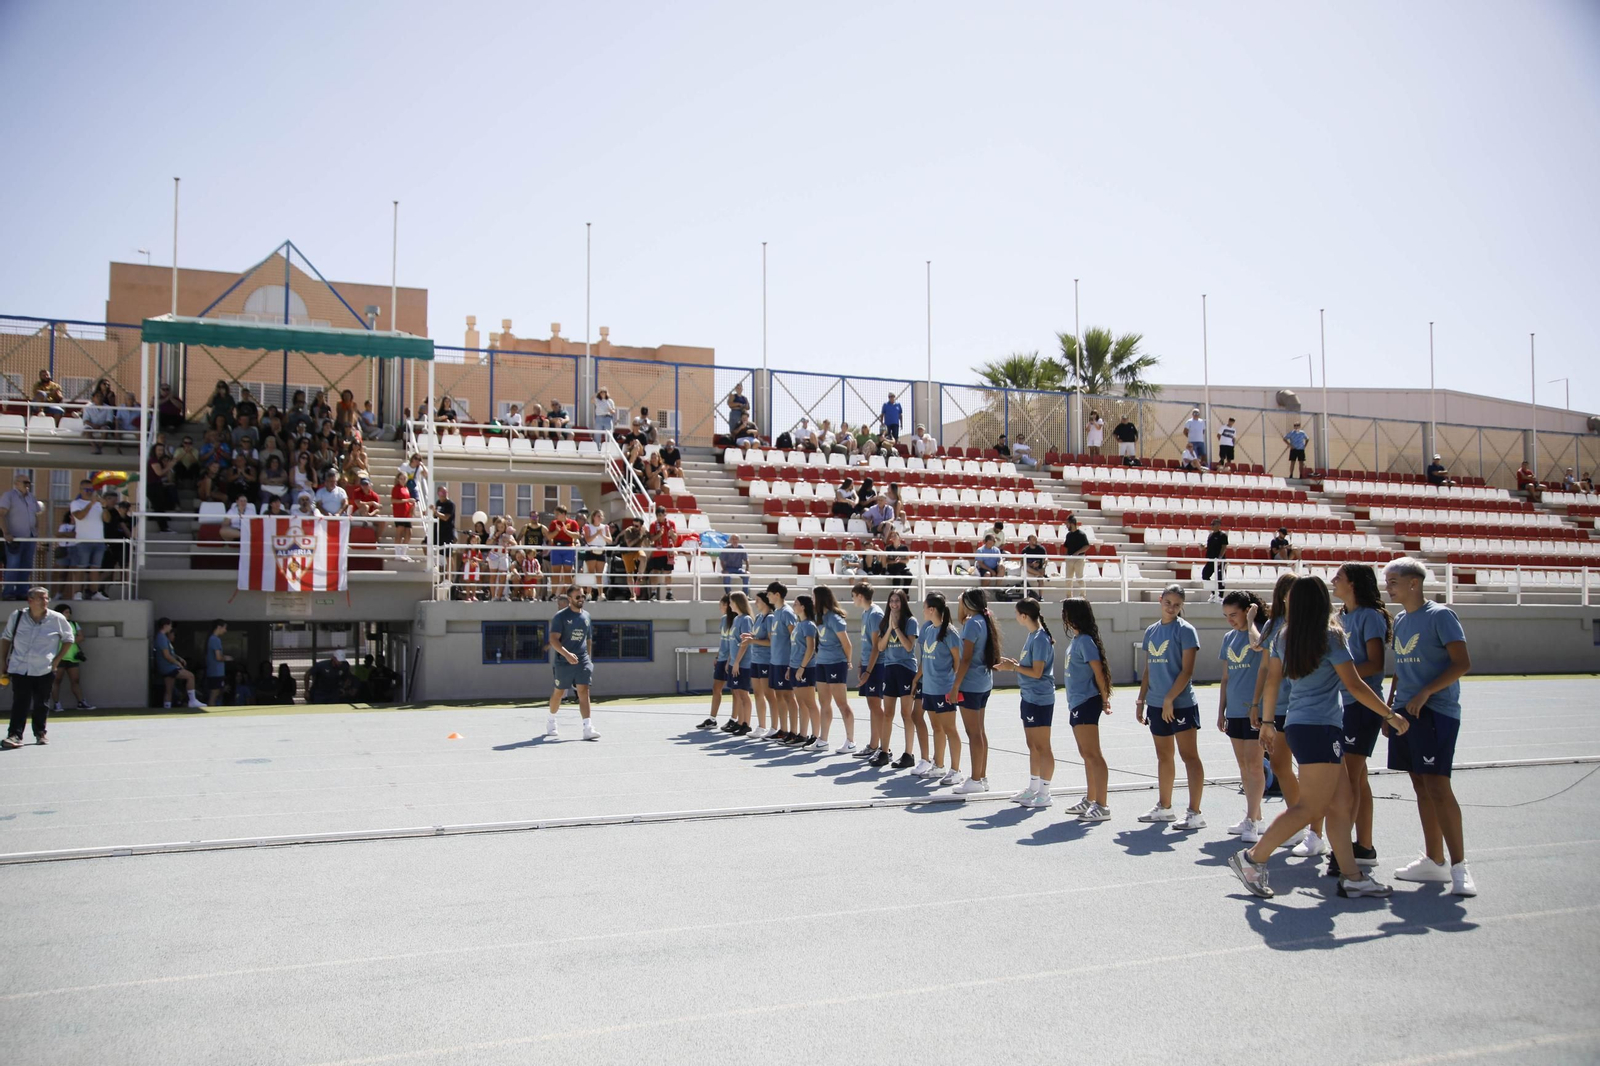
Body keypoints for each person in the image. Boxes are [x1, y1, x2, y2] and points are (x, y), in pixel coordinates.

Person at [1228, 576, 1407, 901]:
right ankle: (1253, 858)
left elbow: (1271, 681)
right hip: (1320, 728)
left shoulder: (1285, 635)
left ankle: (1352, 876)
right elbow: (1353, 685)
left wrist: (1268, 721)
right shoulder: (1331, 636)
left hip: (1299, 724)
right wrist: (1389, 713)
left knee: (1340, 803)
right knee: (1311, 806)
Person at [1383, 556, 1475, 896]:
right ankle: (1434, 861)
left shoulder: (1441, 615)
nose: (1387, 587)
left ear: (1413, 583)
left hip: (1436, 711)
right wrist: (1389, 710)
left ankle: (1460, 866)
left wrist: (1426, 692)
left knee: (1438, 785)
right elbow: (1399, 670)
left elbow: (1462, 662)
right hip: (1405, 714)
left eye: (1393, 581)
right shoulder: (1402, 620)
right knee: (1420, 784)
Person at [1332, 563, 1391, 878]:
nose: (1333, 581)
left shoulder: (1370, 616)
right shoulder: (1339, 617)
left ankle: (1343, 853)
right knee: (1359, 779)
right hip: (1344, 705)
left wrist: (1341, 674)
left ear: (1353, 583)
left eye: (1338, 577)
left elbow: (1375, 664)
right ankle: (1364, 847)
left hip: (1363, 705)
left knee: (1349, 780)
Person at [1135, 584, 1206, 828]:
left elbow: (1187, 671)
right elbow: (1148, 670)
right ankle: (1164, 807)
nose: (1172, 608)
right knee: (1164, 756)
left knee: (1189, 757)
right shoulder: (1152, 631)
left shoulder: (1186, 631)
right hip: (1156, 705)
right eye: (1168, 603)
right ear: (1160, 600)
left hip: (1181, 705)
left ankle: (1195, 813)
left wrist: (1170, 699)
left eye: (1177, 605)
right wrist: (1141, 700)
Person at [995, 597, 1058, 808]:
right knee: (1032, 745)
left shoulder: (1040, 638)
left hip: (1040, 698)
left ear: (1024, 615)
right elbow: (1030, 666)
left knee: (1043, 746)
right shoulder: (1032, 636)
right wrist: (1016, 664)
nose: (1015, 617)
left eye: (1016, 614)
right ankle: (1033, 788)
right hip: (1029, 696)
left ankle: (1045, 792)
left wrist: (1013, 668)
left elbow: (1038, 672)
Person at [1218, 591, 1268, 841]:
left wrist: (1250, 622)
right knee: (1243, 765)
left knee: (1254, 764)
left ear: (1249, 610)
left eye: (1234, 615)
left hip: (1254, 710)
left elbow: (1258, 647)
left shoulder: (1259, 634)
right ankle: (1254, 816)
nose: (1230, 620)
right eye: (1226, 616)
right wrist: (1221, 711)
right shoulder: (1228, 638)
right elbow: (1226, 678)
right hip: (1235, 711)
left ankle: (1252, 819)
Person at [0, 588, 75, 747]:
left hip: (45, 668)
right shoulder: (17, 616)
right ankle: (14, 735)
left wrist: (56, 661)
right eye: (41, 598)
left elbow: (69, 639)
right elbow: (6, 638)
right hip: (20, 667)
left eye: (47, 598)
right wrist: (2, 660)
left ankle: (40, 733)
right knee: (20, 702)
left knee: (42, 702)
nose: (45, 601)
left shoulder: (57, 618)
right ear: (30, 601)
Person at [913, 592, 965, 784]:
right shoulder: (928, 630)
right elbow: (925, 659)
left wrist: (955, 688)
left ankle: (956, 770)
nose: (923, 610)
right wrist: (916, 679)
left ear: (932, 609)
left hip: (944, 688)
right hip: (929, 688)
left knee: (950, 729)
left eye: (925, 606)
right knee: (937, 727)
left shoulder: (950, 632)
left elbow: (958, 662)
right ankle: (939, 765)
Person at [875, 589, 924, 771]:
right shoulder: (885, 622)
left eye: (897, 601)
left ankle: (908, 754)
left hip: (906, 669)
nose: (894, 604)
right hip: (890, 669)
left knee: (906, 713)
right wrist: (889, 627)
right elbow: (880, 647)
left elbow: (909, 646)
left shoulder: (910, 622)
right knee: (887, 713)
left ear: (903, 603)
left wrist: (896, 627)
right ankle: (884, 751)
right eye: (892, 601)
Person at [546, 585, 600, 741]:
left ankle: (588, 727)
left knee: (584, 691)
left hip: (582, 660)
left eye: (583, 596)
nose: (581, 599)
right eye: (578, 597)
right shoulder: (560, 617)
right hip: (563, 661)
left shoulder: (587, 616)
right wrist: (567, 654)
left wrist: (588, 659)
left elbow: (588, 639)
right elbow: (553, 640)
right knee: (559, 692)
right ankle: (551, 720)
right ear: (569, 599)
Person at [810, 585, 856, 753]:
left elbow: (847, 644)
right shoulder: (818, 617)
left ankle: (850, 741)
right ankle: (823, 740)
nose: (812, 601)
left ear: (821, 598)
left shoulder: (835, 619)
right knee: (824, 703)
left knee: (841, 703)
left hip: (836, 663)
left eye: (814, 597)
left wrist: (848, 662)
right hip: (821, 663)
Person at [850, 583, 889, 766]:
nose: (852, 600)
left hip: (877, 666)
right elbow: (866, 644)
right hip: (867, 664)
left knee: (876, 705)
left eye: (853, 596)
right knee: (872, 706)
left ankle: (884, 748)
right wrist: (860, 664)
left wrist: (868, 671)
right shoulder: (866, 613)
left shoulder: (875, 614)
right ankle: (874, 745)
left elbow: (876, 646)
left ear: (859, 596)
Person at [765, 582, 798, 744]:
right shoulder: (776, 612)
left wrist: (792, 664)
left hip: (785, 662)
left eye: (769, 593)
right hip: (775, 661)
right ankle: (783, 730)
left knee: (788, 697)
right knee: (779, 696)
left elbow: (795, 639)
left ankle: (794, 731)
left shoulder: (787, 613)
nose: (767, 596)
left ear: (777, 594)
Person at [787, 594, 820, 749]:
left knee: (810, 703)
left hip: (805, 668)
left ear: (803, 607)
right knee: (801, 703)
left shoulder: (808, 625)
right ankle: (802, 735)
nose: (793, 605)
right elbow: (796, 648)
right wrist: (791, 667)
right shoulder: (799, 624)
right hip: (795, 667)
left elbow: (811, 648)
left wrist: (802, 667)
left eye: (796, 603)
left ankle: (816, 736)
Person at [0, 474, 39, 601]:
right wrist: (6, 532)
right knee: (13, 565)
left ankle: (22, 592)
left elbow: (35, 514)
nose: (28, 485)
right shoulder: (9, 495)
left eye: (29, 482)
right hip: (15, 538)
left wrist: (36, 532)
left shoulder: (31, 497)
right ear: (16, 483)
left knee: (26, 566)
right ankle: (8, 593)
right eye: (25, 482)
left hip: (30, 537)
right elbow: (1, 514)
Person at [68, 480, 108, 601]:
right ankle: (78, 593)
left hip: (99, 540)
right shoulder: (76, 503)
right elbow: (79, 516)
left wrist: (104, 507)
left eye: (91, 490)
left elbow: (107, 519)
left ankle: (94, 592)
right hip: (83, 540)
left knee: (95, 568)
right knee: (81, 567)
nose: (89, 492)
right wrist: (91, 504)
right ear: (80, 490)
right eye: (87, 490)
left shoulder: (98, 504)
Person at [724, 592, 755, 736]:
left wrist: (736, 662)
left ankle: (746, 724)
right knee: (737, 692)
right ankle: (740, 722)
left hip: (743, 663)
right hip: (735, 662)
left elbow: (745, 643)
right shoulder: (736, 619)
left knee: (743, 693)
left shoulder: (746, 619)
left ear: (737, 602)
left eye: (731, 602)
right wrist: (730, 661)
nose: (729, 605)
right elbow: (733, 642)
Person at [744, 591, 774, 738]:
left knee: (769, 694)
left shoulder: (770, 618)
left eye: (758, 600)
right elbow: (757, 637)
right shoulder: (758, 618)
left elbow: (771, 642)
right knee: (757, 694)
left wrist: (752, 641)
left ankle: (775, 727)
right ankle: (762, 726)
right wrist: (750, 637)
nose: (755, 603)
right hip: (755, 659)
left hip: (765, 660)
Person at [645, 506, 678, 600]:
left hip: (668, 553)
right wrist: (660, 534)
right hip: (658, 553)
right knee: (655, 572)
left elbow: (675, 538)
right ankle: (653, 593)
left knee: (668, 573)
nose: (659, 517)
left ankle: (669, 593)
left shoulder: (671, 524)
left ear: (665, 515)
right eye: (657, 515)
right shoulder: (653, 525)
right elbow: (651, 539)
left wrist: (672, 534)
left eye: (660, 515)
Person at [1060, 516, 1092, 598]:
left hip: (1079, 559)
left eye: (1067, 524)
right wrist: (1067, 557)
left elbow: (1087, 546)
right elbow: (1066, 546)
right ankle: (1068, 597)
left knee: (1079, 578)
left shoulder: (1081, 534)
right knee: (1068, 579)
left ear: (1072, 524)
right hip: (1070, 559)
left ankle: (1082, 596)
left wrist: (1077, 553)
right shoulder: (1068, 535)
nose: (1066, 526)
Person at [204, 619, 230, 706]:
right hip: (216, 672)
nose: (225, 630)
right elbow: (218, 657)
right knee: (214, 694)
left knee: (216, 693)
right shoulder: (215, 639)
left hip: (214, 671)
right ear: (219, 627)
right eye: (224, 628)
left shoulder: (211, 639)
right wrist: (227, 658)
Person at [1204, 517, 1228, 601]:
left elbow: (1224, 547)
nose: (1212, 526)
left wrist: (1220, 558)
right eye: (1211, 524)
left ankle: (1221, 596)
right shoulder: (1210, 535)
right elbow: (1210, 546)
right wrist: (1204, 547)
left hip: (1219, 561)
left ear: (1218, 525)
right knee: (1205, 575)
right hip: (1210, 560)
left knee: (1219, 577)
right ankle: (1214, 593)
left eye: (1213, 524)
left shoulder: (1223, 535)